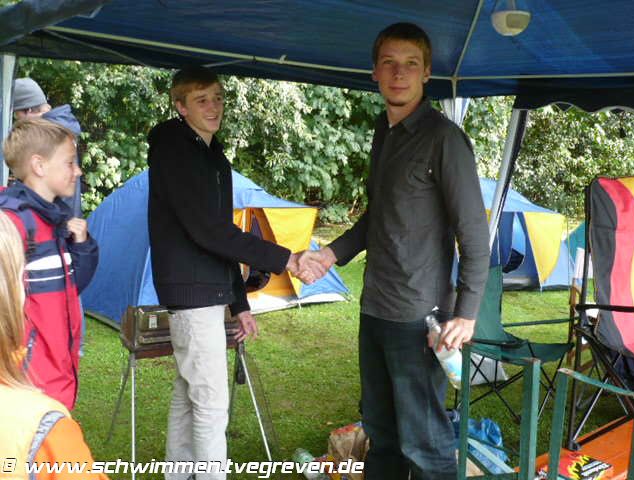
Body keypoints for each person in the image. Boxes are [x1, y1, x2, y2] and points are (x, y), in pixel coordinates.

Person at [300, 23, 490, 480]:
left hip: (418, 318)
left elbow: (474, 234)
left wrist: (466, 315)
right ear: (375, 72)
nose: (398, 73)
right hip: (375, 310)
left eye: (410, 64)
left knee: (424, 443)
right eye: (389, 63)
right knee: (382, 434)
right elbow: (378, 216)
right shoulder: (383, 133)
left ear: (426, 73)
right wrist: (331, 254)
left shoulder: (444, 140)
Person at [147, 66, 311, 480]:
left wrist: (239, 303)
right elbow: (208, 231)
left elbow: (220, 235)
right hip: (191, 292)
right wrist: (286, 259)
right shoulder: (175, 151)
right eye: (201, 100)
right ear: (180, 106)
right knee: (210, 404)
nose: (214, 107)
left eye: (218, 98)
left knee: (189, 397)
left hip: (207, 290)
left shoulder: (211, 155)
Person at [0, 210, 107, 480]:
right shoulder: (42, 427)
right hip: (34, 396)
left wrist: (82, 245)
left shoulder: (55, 217)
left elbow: (74, 283)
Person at [1, 119, 99, 411]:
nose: (77, 171)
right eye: (70, 162)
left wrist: (82, 246)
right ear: (39, 166)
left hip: (57, 378)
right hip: (28, 386)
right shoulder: (13, 224)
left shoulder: (53, 219)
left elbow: (69, 288)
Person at [12, 77, 83, 216]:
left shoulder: (46, 135)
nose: (17, 121)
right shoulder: (61, 127)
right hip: (66, 216)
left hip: (53, 220)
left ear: (28, 110)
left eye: (16, 115)